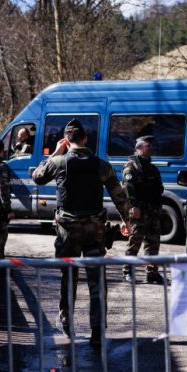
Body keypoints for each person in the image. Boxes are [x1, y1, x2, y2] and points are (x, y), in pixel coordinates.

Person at [32, 119, 130, 347]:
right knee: (96, 279)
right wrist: (127, 222)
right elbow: (119, 195)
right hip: (94, 231)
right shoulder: (101, 164)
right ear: (85, 138)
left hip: (68, 232)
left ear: (67, 140)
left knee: (69, 276)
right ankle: (97, 331)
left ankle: (66, 321)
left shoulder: (58, 162)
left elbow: (37, 177)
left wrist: (55, 152)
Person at [121, 135, 165, 284]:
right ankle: (128, 271)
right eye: (148, 145)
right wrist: (134, 207)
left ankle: (152, 273)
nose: (151, 148)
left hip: (153, 210)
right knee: (135, 242)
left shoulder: (152, 168)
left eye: (151, 145)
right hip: (140, 211)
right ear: (139, 147)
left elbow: (159, 189)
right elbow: (128, 189)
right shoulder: (131, 167)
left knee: (153, 243)